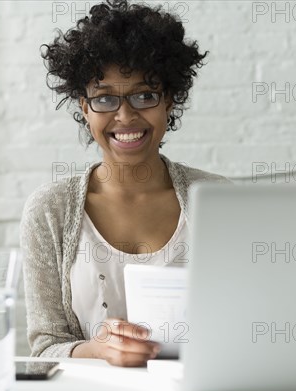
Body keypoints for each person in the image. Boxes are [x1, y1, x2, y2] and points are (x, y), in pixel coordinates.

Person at [20, 0, 233, 367]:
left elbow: (243, 328)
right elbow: (45, 349)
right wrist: (98, 350)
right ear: (84, 107)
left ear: (169, 100)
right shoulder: (50, 211)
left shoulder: (220, 200)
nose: (125, 115)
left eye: (145, 95)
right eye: (104, 98)